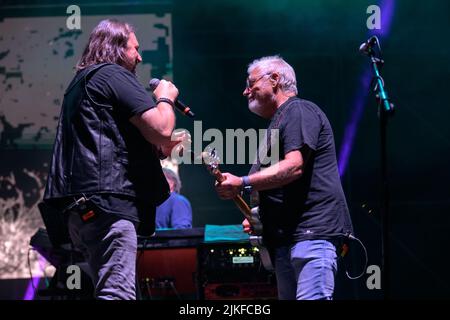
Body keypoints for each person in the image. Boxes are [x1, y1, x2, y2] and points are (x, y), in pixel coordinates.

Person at [43, 19, 185, 300]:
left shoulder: (79, 84)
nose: (140, 57)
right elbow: (162, 128)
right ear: (117, 48)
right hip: (110, 204)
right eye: (135, 49)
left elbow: (108, 138)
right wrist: (165, 98)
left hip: (83, 207)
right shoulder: (112, 75)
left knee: (113, 290)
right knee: (117, 294)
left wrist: (155, 151)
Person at [215, 55, 354, 300]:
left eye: (251, 83)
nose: (246, 91)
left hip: (312, 233)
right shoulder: (278, 123)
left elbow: (294, 167)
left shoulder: (299, 110)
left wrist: (243, 182)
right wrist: (260, 219)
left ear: (275, 79)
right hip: (288, 239)